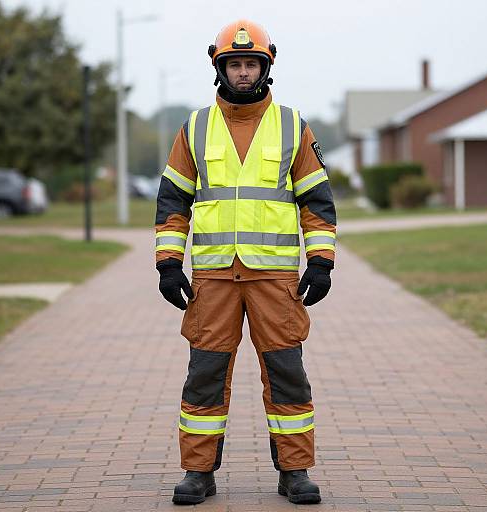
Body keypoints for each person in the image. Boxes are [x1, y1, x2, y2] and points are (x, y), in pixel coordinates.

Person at [155, 20, 337, 505]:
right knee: (205, 373)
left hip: (274, 279)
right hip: (213, 278)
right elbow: (173, 203)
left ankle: (295, 471)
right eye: (233, 64)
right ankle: (198, 473)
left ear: (266, 66)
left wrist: (321, 263)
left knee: (287, 372)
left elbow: (316, 203)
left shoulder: (292, 126)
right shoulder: (194, 128)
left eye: (250, 64)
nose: (242, 72)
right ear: (219, 67)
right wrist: (168, 265)